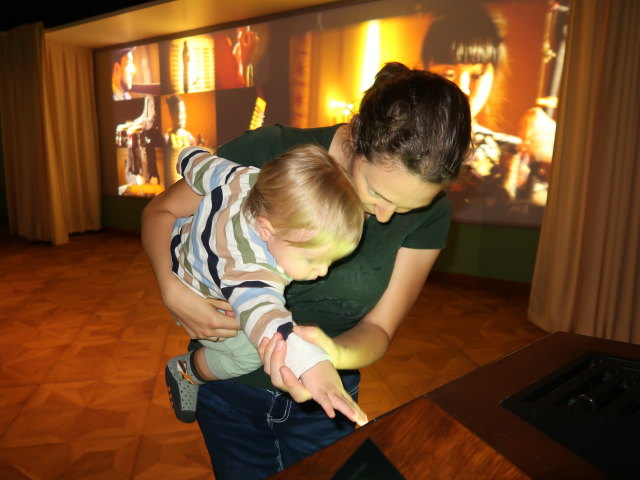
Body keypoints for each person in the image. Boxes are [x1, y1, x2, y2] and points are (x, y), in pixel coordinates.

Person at [141, 61, 472, 479]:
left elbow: (380, 330)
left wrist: (329, 354)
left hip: (324, 402)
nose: (387, 217)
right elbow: (161, 211)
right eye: (376, 192)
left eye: (410, 207)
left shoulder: (433, 216)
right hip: (229, 397)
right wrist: (171, 288)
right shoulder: (270, 154)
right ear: (356, 142)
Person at [165, 144, 366, 426]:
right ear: (266, 230)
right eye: (312, 259)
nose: (322, 271)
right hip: (194, 291)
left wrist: (187, 156)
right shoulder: (249, 271)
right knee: (248, 355)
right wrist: (313, 364)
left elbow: (198, 163)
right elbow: (270, 323)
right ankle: (187, 369)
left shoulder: (246, 178)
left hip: (179, 243)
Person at [421, 3, 556, 223]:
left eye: (476, 76)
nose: (462, 88)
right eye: (447, 74)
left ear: (493, 77)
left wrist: (558, 160)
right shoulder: (397, 145)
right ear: (423, 71)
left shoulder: (515, 154)